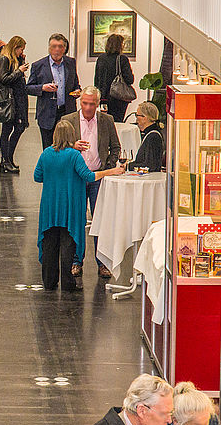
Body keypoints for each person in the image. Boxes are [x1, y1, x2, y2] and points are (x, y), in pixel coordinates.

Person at [34, 120, 123, 291]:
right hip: (69, 206)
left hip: (50, 206)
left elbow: (37, 176)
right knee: (68, 244)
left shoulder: (46, 154)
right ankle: (68, 283)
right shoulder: (74, 156)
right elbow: (88, 176)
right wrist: (111, 171)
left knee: (49, 244)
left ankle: (49, 281)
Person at [60, 86, 122, 280]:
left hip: (97, 177)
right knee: (76, 220)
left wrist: (108, 167)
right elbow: (57, 147)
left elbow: (115, 147)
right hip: (76, 178)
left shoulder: (107, 121)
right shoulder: (68, 120)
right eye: (85, 103)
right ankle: (76, 261)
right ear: (80, 102)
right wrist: (72, 146)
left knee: (100, 221)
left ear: (98, 104)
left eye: (92, 104)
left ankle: (102, 262)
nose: (88, 107)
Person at [27, 33, 81, 149]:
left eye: (60, 46)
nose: (57, 49)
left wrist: (77, 90)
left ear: (64, 48)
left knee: (68, 146)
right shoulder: (38, 65)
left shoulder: (70, 63)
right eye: (54, 46)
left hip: (67, 111)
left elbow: (75, 83)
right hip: (47, 112)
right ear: (49, 48)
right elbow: (28, 88)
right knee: (49, 148)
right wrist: (42, 87)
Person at [0, 35, 30, 174]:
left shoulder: (15, 59)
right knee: (7, 130)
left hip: (18, 99)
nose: (22, 52)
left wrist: (21, 61)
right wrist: (19, 71)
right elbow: (3, 79)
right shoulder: (4, 59)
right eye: (21, 49)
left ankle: (8, 159)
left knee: (20, 127)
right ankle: (5, 160)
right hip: (10, 101)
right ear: (15, 47)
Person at [94, 34, 134, 123]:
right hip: (118, 97)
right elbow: (129, 79)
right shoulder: (122, 59)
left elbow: (97, 79)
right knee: (117, 123)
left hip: (103, 97)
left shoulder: (101, 58)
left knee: (105, 122)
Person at [134, 101, 164, 172]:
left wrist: (129, 166)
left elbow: (149, 165)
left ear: (145, 118)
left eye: (137, 115)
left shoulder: (153, 137)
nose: (136, 118)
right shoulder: (150, 134)